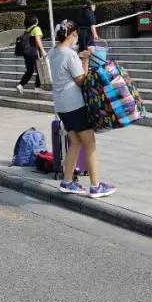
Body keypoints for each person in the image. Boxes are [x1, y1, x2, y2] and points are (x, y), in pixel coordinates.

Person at [50, 20, 115, 199]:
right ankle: (95, 186)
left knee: (76, 142)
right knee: (90, 143)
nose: (77, 36)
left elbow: (73, 75)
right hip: (74, 104)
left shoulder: (53, 52)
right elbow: (81, 80)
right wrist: (86, 58)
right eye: (76, 34)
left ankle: (67, 181)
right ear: (71, 34)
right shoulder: (69, 55)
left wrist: (83, 58)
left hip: (61, 106)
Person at [15, 15, 46, 94]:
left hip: (26, 53)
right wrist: (42, 50)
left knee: (30, 71)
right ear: (35, 20)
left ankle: (21, 85)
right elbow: (37, 39)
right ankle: (37, 87)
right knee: (39, 69)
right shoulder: (36, 28)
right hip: (34, 52)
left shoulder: (27, 30)